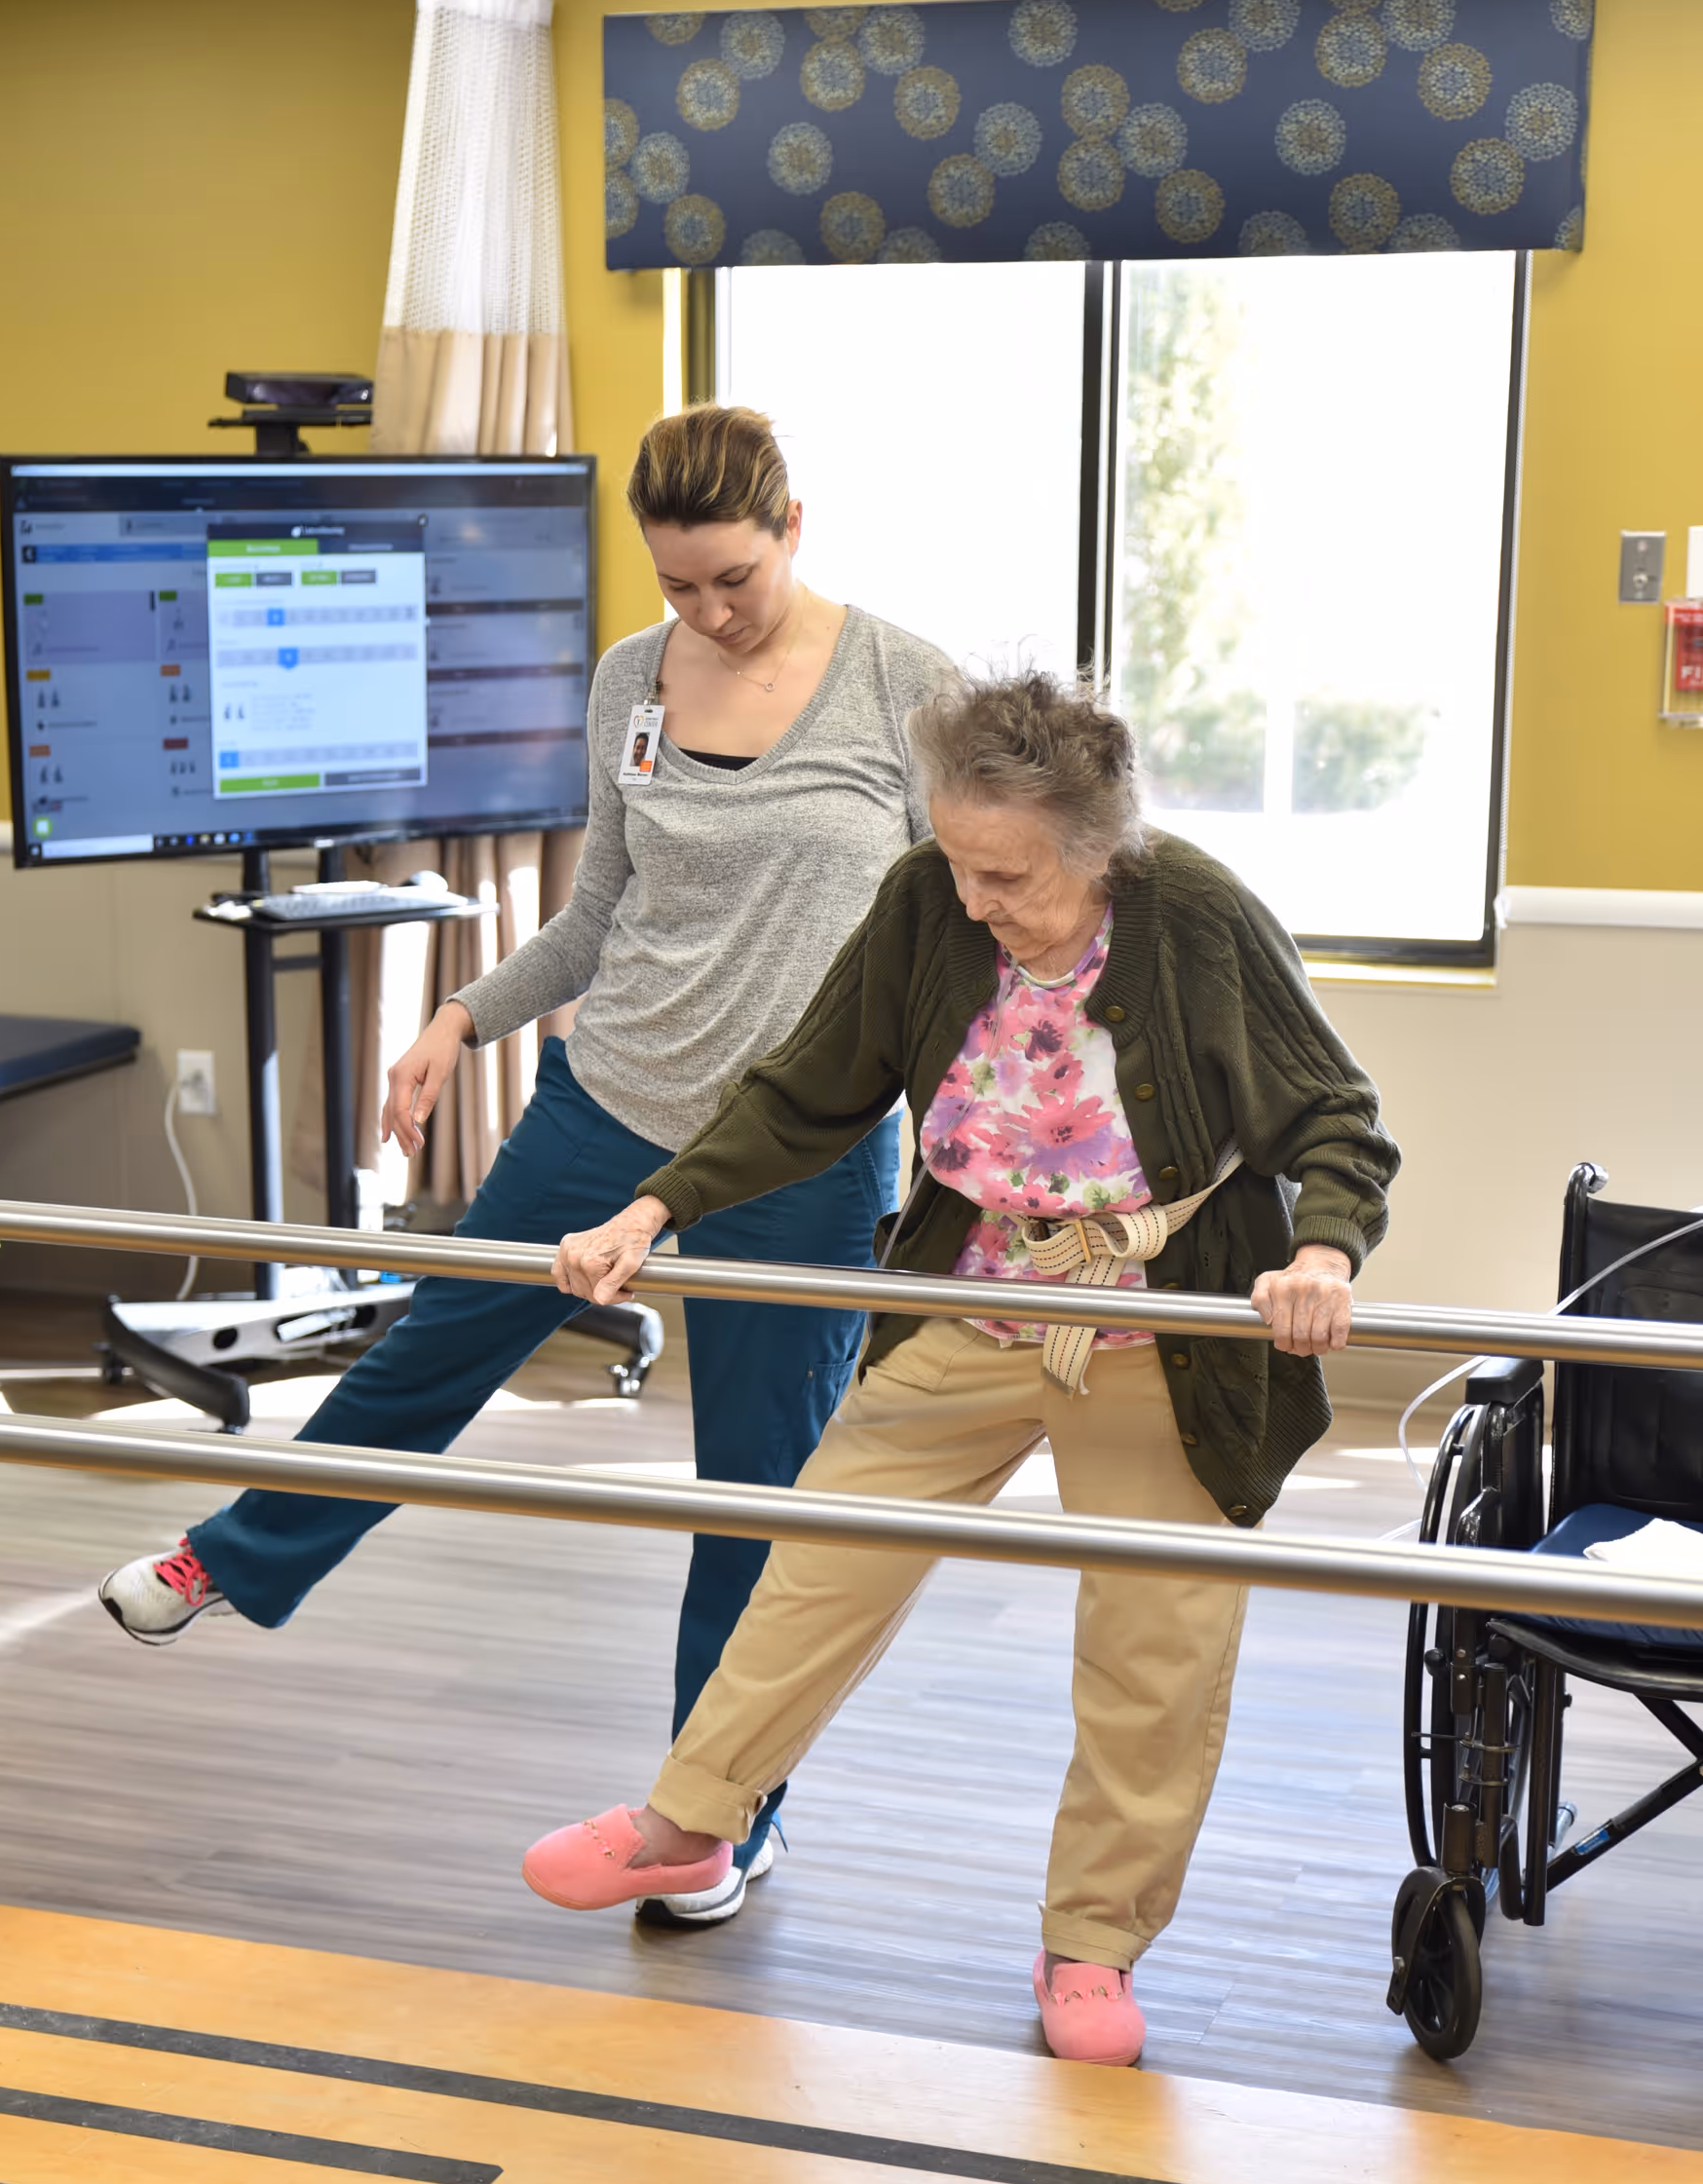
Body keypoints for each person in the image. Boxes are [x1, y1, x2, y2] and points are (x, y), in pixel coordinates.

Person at [99, 404, 956, 1930]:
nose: (703, 612)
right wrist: (460, 1012)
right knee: (433, 1343)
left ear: (795, 527)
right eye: (678, 583)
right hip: (607, 1100)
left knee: (757, 1498)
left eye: (732, 580)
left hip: (803, 1150)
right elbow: (593, 914)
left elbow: (971, 923)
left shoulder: (903, 687)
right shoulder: (633, 679)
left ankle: (716, 1820)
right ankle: (231, 1555)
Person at [522, 671, 1399, 2057]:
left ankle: (1092, 1948)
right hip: (980, 1296)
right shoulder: (929, 899)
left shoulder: (1199, 914)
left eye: (1008, 873)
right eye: (955, 859)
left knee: (1153, 1643)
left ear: (1098, 849)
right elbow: (809, 1083)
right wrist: (657, 1205)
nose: (973, 898)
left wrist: (1326, 1257)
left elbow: (1338, 1118)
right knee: (823, 1556)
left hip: (1164, 1325)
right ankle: (691, 1825)